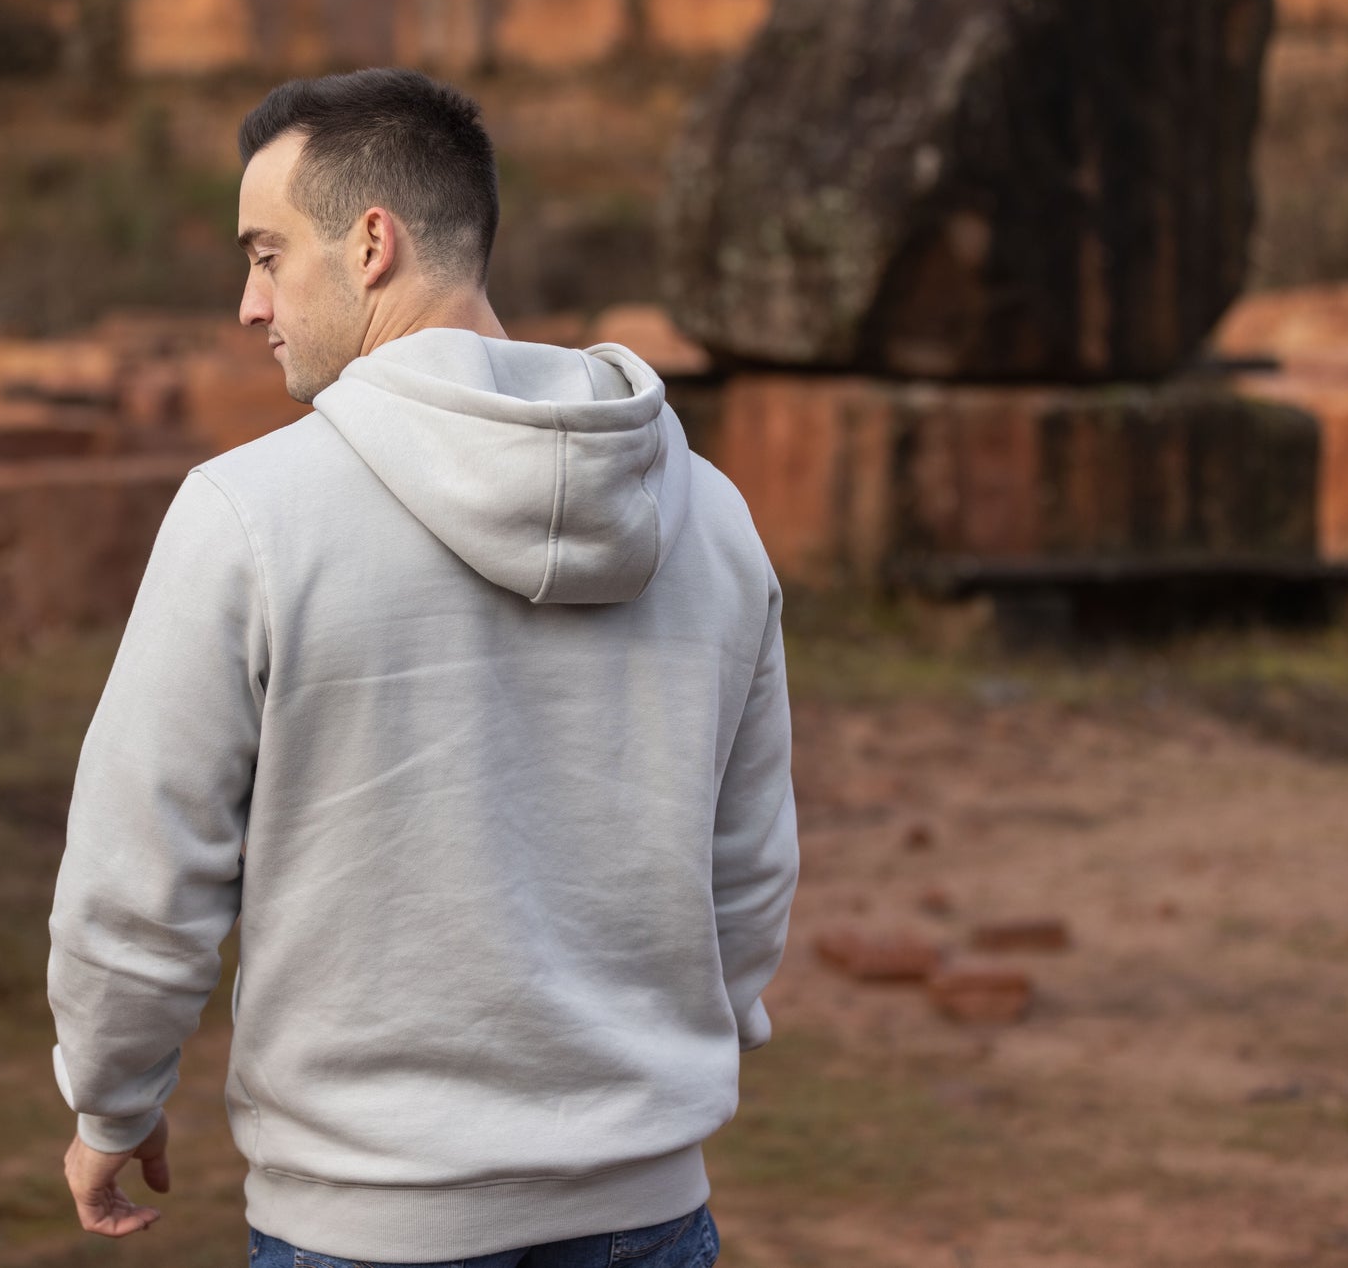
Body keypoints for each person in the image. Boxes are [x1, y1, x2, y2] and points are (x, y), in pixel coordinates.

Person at [46, 66, 799, 1268]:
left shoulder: (249, 511)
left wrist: (110, 1096)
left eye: (265, 254)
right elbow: (748, 864)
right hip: (645, 1204)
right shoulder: (707, 511)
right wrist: (656, 1062)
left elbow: (141, 863)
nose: (248, 303)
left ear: (371, 244)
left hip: (366, 1215)